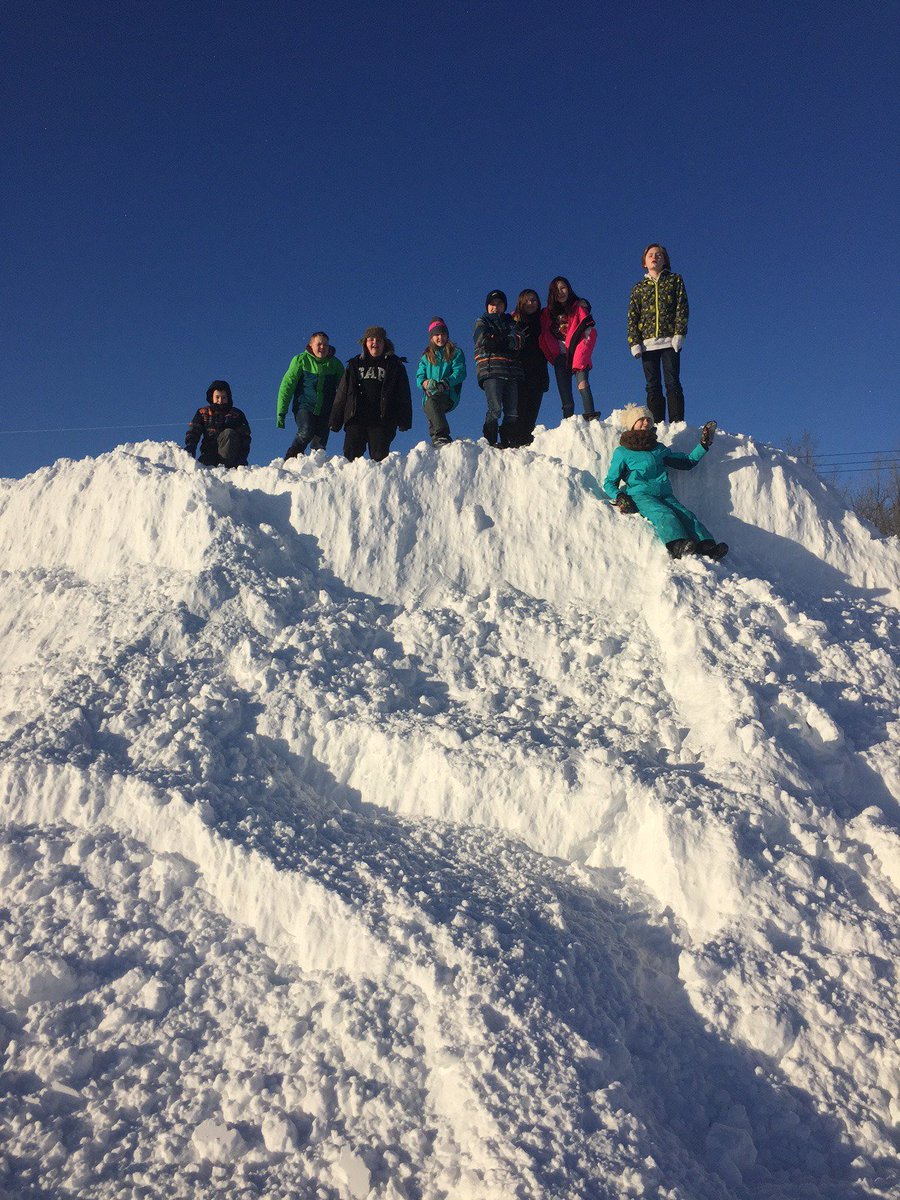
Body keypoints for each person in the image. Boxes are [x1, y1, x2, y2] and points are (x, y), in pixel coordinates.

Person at [603, 404, 727, 559]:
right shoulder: (623, 452)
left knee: (686, 515)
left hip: (665, 494)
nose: (646, 423)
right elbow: (609, 482)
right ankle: (677, 545)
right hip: (641, 495)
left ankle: (707, 546)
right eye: (641, 419)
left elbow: (686, 462)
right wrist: (620, 496)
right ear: (632, 424)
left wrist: (703, 446)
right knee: (664, 514)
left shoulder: (658, 449)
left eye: (648, 419)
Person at [627, 244, 689, 424]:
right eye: (651, 255)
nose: (655, 257)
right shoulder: (638, 288)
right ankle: (658, 422)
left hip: (670, 341)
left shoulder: (675, 280)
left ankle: (677, 421)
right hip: (647, 343)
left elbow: (682, 308)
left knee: (672, 381)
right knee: (652, 385)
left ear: (665, 260)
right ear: (644, 262)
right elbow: (633, 315)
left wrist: (679, 334)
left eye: (659, 255)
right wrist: (634, 342)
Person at [330, 326, 411, 462]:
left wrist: (404, 420)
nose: (375, 343)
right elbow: (343, 392)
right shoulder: (354, 364)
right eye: (371, 339)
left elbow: (403, 394)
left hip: (382, 419)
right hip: (356, 417)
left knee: (379, 457)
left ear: (384, 343)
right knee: (351, 454)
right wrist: (335, 420)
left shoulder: (394, 365)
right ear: (365, 343)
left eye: (379, 340)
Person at [276, 332, 344, 459]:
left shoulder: (335, 364)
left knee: (319, 446)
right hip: (305, 406)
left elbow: (344, 390)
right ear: (311, 345)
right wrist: (281, 412)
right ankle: (290, 459)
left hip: (326, 410)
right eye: (319, 344)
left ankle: (315, 470)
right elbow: (287, 386)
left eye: (325, 345)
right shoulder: (301, 360)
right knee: (306, 431)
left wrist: (342, 412)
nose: (322, 347)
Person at [539, 276, 598, 421]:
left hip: (578, 352)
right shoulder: (547, 314)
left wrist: (581, 356)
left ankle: (590, 416)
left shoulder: (578, 308)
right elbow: (543, 335)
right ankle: (569, 424)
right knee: (566, 397)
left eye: (563, 288)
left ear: (569, 289)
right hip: (560, 356)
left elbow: (589, 331)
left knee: (583, 384)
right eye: (556, 290)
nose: (560, 292)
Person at [473, 290, 523, 448]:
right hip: (491, 370)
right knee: (495, 409)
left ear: (504, 306)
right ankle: (490, 440)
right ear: (487, 306)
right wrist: (505, 341)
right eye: (492, 304)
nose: (496, 307)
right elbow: (483, 340)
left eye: (499, 304)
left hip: (511, 372)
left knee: (512, 410)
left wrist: (501, 340)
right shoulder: (482, 321)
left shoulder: (511, 322)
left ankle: (509, 440)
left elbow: (519, 341)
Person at [415, 317, 467, 447]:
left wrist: (446, 382)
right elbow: (419, 376)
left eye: (443, 334)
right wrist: (425, 383)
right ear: (431, 337)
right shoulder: (426, 356)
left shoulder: (455, 352)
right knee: (430, 406)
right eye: (437, 334)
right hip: (430, 395)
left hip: (448, 394)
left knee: (433, 403)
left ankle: (442, 436)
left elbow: (460, 372)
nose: (440, 337)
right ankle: (436, 442)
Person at [512, 289, 550, 445]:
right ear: (521, 302)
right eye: (527, 300)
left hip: (539, 372)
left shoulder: (543, 320)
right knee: (518, 409)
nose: (531, 303)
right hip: (519, 372)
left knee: (533, 411)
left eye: (534, 300)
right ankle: (514, 442)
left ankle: (525, 442)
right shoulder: (514, 322)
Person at [184, 380, 251, 468]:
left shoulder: (236, 414)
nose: (220, 401)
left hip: (230, 458)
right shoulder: (203, 412)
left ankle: (226, 467)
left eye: (223, 397)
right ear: (212, 397)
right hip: (209, 453)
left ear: (228, 397)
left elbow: (245, 438)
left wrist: (242, 459)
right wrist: (190, 447)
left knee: (228, 433)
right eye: (217, 397)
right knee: (201, 472)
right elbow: (194, 431)